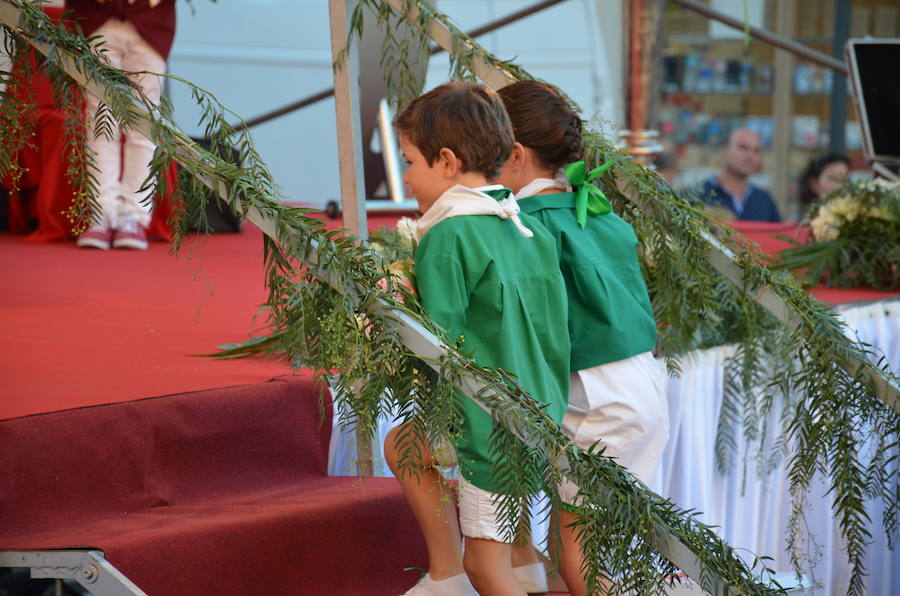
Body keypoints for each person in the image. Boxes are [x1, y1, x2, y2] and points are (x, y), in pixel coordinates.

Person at [384, 81, 570, 596]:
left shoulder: (448, 234)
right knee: (404, 444)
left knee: (487, 569)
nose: (405, 176)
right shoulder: (525, 229)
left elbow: (436, 343)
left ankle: (449, 575)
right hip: (540, 409)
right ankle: (523, 573)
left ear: (446, 161)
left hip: (486, 425)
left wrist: (394, 302)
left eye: (409, 162)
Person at [496, 80, 669, 596]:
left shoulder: (524, 225)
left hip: (598, 399)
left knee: (580, 563)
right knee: (572, 547)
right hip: (642, 385)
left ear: (514, 154)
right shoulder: (596, 212)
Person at [67, 0, 176, 250]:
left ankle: (133, 216)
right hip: (95, 15)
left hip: (152, 19)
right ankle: (101, 212)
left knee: (144, 122)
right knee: (100, 118)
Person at [700, 128, 782, 222]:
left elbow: (779, 234)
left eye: (756, 150)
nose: (750, 156)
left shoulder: (764, 200)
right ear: (724, 152)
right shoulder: (699, 193)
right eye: (743, 147)